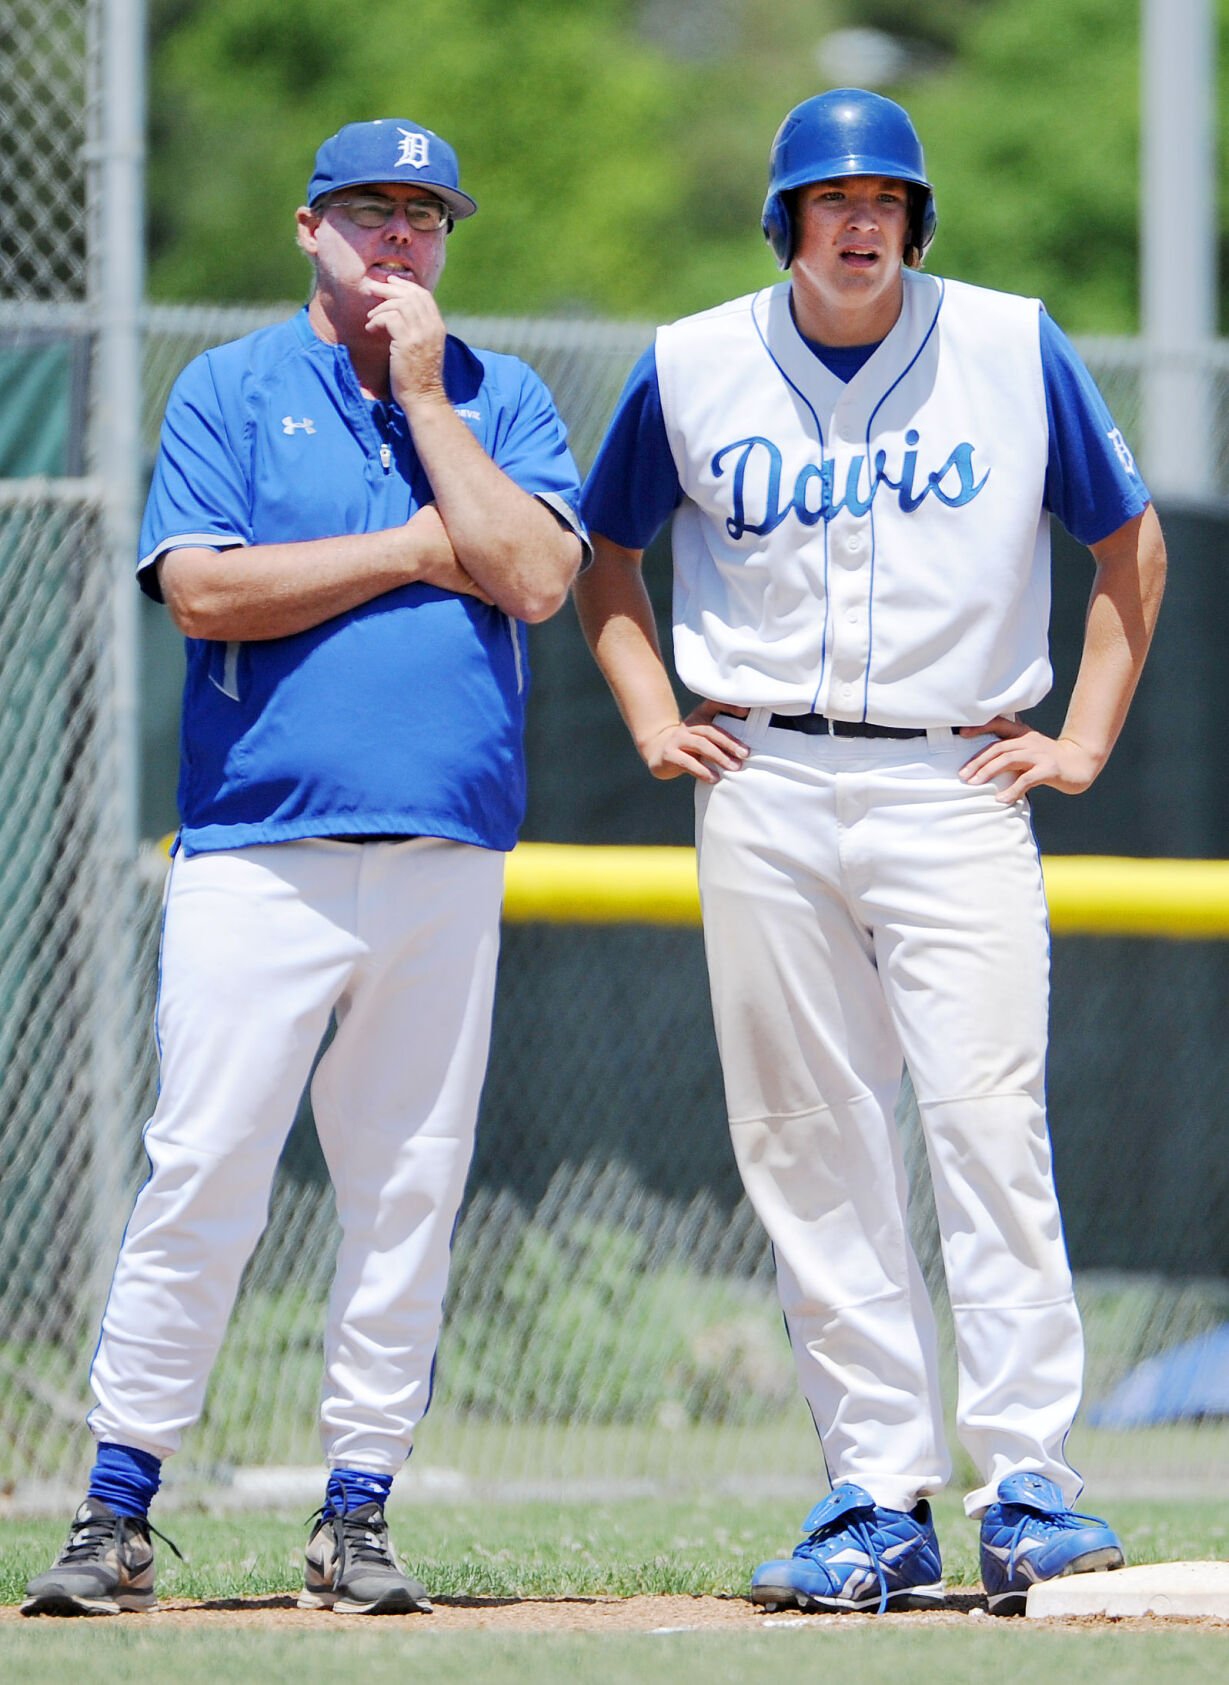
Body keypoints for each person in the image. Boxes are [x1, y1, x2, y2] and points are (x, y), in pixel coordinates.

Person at [575, 88, 1165, 1616]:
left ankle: (1027, 1477)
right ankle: (873, 1491)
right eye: (830, 199)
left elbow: (1128, 542)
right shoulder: (695, 359)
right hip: (763, 773)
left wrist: (1083, 737)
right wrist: (650, 710)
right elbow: (605, 552)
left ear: (912, 221)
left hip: (951, 772)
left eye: (884, 200)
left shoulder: (1005, 338)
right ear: (785, 221)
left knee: (984, 1120)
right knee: (804, 1137)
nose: (858, 222)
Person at [23, 117, 585, 1619]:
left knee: (405, 1187)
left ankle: (359, 1508)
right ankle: (117, 1506)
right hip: (259, 849)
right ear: (307, 228)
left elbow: (531, 575)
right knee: (201, 1169)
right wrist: (412, 549)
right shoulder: (229, 384)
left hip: (444, 852)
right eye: (365, 213)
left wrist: (421, 398)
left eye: (422, 215)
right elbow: (204, 591)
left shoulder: (496, 393)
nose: (396, 240)